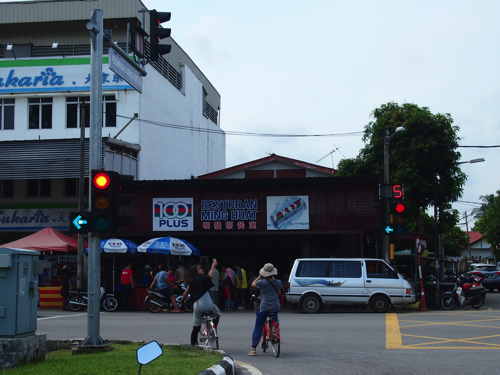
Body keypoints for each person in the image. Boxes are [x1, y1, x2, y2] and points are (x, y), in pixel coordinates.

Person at [183, 259, 221, 345]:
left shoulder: (191, 282)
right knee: (217, 314)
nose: (201, 269)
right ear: (195, 272)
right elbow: (211, 276)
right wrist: (213, 266)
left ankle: (193, 345)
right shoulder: (200, 278)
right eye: (199, 269)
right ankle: (213, 329)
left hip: (197, 306)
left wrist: (186, 297)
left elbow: (184, 295)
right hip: (207, 304)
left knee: (196, 328)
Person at [248, 263, 282, 356]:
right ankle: (276, 329)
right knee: (274, 317)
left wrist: (259, 277)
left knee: (258, 327)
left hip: (264, 308)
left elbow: (252, 284)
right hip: (275, 307)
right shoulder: (278, 282)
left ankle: (253, 349)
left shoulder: (261, 282)